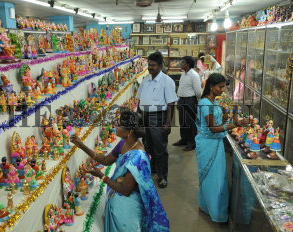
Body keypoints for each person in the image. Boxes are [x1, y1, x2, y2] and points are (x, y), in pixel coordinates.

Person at [70, 110, 169, 232]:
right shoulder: (124, 143)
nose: (116, 126)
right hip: (117, 198)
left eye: (120, 124)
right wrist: (81, 146)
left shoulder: (137, 158)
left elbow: (126, 190)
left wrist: (102, 176)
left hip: (127, 209)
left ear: (130, 131)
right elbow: (106, 160)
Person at [196, 73, 250, 223]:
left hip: (215, 143)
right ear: (211, 86)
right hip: (209, 145)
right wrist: (236, 124)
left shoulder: (212, 101)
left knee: (214, 179)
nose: (222, 90)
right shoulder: (206, 104)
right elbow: (213, 128)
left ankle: (207, 207)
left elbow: (219, 120)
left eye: (224, 87)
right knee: (215, 181)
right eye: (220, 87)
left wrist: (232, 114)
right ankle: (215, 213)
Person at [136, 52, 177, 188]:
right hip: (145, 116)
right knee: (147, 145)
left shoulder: (167, 81)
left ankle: (162, 176)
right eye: (149, 65)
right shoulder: (145, 80)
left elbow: (171, 104)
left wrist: (168, 123)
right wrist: (138, 116)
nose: (150, 68)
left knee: (160, 148)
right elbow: (140, 100)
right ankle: (152, 169)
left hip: (158, 117)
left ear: (160, 66)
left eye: (153, 65)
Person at [174, 56, 202, 151]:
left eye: (183, 62)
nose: (181, 64)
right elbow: (181, 88)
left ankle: (192, 142)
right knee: (182, 122)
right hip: (182, 100)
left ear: (188, 64)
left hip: (190, 101)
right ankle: (184, 139)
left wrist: (196, 102)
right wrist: (178, 99)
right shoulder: (184, 74)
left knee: (190, 123)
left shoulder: (194, 75)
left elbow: (198, 91)